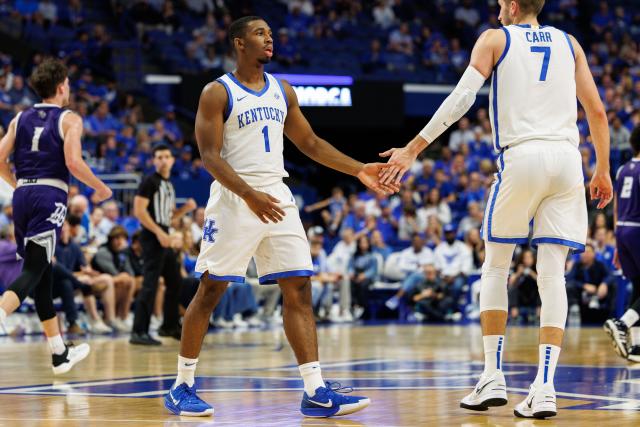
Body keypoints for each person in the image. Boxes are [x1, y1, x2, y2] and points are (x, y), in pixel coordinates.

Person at [379, 0, 613, 419]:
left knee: (496, 266)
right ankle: (544, 387)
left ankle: (492, 375)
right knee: (552, 273)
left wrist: (414, 148)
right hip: (567, 159)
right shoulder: (570, 43)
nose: (497, 7)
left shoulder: (495, 38)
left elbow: (462, 97)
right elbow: (596, 110)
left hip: (522, 155)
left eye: (501, 1)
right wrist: (603, 169)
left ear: (513, 4)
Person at [164, 16, 396, 418]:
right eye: (259, 33)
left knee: (299, 287)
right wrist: (249, 194)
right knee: (212, 289)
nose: (269, 39)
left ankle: (315, 390)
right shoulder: (216, 92)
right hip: (236, 197)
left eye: (270, 33)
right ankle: (182, 385)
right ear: (239, 43)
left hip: (277, 194)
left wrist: (359, 169)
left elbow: (309, 142)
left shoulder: (282, 90)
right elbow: (210, 157)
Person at [0, 58, 112, 374]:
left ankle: (59, 353)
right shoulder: (69, 119)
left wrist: (20, 185)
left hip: (22, 195)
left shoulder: (19, 118)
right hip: (49, 195)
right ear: (62, 86)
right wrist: (100, 188)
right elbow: (74, 163)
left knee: (41, 272)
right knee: (36, 267)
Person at [131, 144, 197, 345]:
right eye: (159, 157)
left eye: (166, 156)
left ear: (172, 160)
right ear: (154, 160)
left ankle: (169, 326)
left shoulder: (168, 184)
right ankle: (138, 332)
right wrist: (159, 232)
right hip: (152, 237)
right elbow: (139, 212)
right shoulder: (149, 182)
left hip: (163, 236)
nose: (163, 160)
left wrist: (185, 209)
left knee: (175, 281)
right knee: (150, 285)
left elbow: (168, 216)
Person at [604, 126, 640, 363]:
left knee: (638, 287)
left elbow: (616, 208)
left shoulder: (622, 170)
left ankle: (636, 346)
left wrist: (618, 241)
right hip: (638, 229)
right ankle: (621, 323)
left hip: (623, 230)